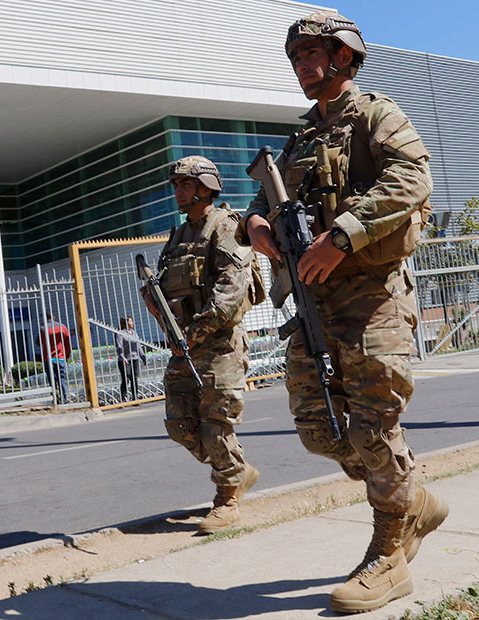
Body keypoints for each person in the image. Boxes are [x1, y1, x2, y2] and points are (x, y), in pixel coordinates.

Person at [238, 11, 448, 613]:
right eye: (296, 56)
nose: (303, 64)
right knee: (321, 429)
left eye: (313, 53)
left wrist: (345, 233)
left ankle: (391, 557)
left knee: (374, 427)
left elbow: (413, 178)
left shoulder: (378, 115)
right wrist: (257, 224)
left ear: (345, 57)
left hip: (372, 294)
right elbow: (263, 201)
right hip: (314, 301)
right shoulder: (300, 139)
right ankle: (416, 501)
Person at [142, 155, 262, 535]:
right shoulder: (178, 236)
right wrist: (156, 303)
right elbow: (163, 289)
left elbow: (231, 290)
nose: (178, 191)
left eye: (185, 185)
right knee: (180, 424)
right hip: (185, 345)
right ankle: (237, 471)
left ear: (206, 188)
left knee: (216, 424)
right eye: (176, 185)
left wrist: (194, 332)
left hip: (219, 344)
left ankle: (227, 498)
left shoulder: (224, 226)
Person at [40, 310, 72, 404]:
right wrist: (67, 356)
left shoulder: (43, 328)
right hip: (61, 357)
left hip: (49, 358)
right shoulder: (62, 327)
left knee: (52, 381)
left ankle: (55, 399)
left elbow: (38, 342)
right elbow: (67, 343)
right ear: (53, 317)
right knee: (61, 379)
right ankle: (64, 399)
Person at [115, 316, 146, 402]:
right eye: (130, 321)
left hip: (135, 359)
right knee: (126, 378)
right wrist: (122, 357)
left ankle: (135, 397)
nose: (132, 323)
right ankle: (123, 397)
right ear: (126, 323)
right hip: (125, 360)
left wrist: (143, 357)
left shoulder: (134, 333)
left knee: (134, 378)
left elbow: (138, 346)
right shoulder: (120, 333)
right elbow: (119, 346)